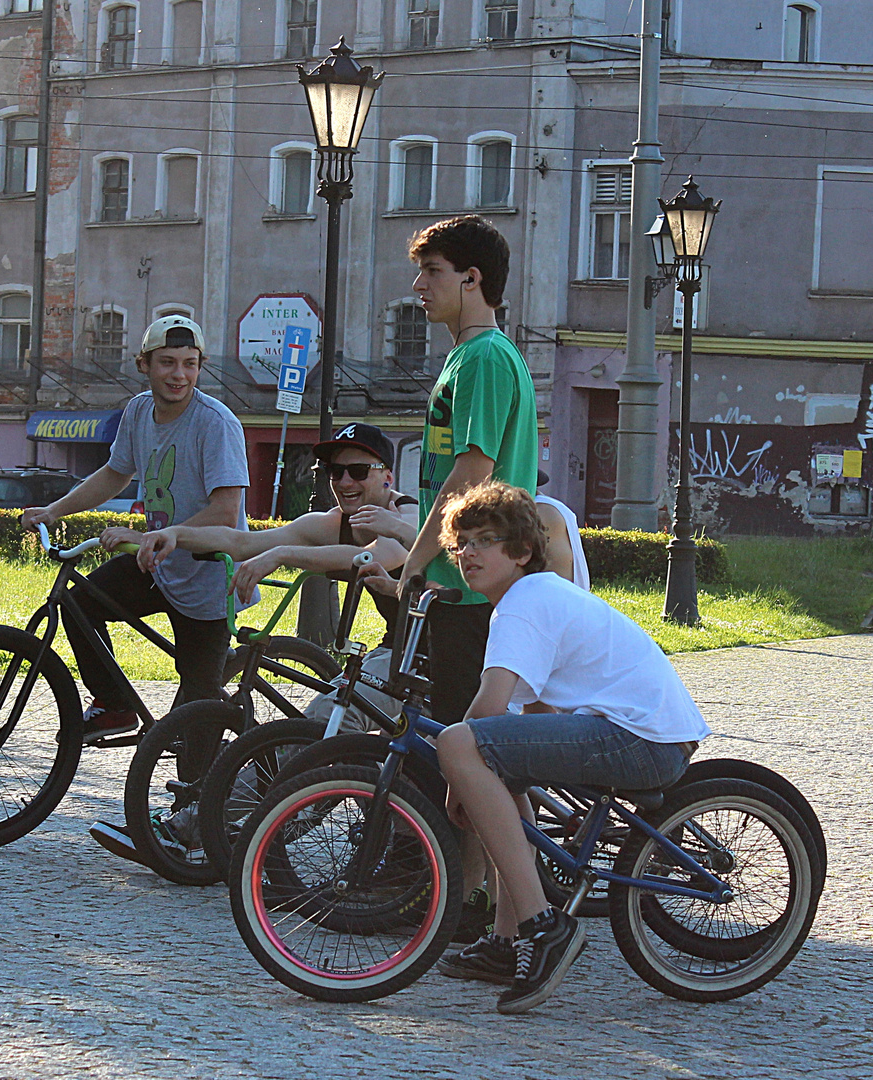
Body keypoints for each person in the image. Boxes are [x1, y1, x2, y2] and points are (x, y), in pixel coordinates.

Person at [397, 481, 709, 1014]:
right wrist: (480, 780)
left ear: (521, 552)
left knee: (458, 741)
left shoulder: (524, 601)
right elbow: (534, 716)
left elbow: (489, 709)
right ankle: (506, 939)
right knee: (494, 766)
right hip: (645, 732)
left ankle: (543, 925)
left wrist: (457, 775)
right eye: (460, 544)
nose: (467, 554)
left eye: (483, 541)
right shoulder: (526, 599)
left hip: (641, 739)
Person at [21, 315, 250, 744]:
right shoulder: (139, 411)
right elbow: (114, 473)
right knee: (80, 605)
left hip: (207, 579)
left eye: (190, 363)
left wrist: (156, 536)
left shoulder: (215, 424)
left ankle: (201, 804)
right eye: (167, 362)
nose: (179, 375)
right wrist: (54, 510)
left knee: (194, 720)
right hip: (156, 563)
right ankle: (116, 706)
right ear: (143, 364)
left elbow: (225, 511)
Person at [137, 422, 417, 735]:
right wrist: (174, 534)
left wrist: (283, 555)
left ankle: (346, 782)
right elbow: (241, 543)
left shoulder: (409, 515)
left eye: (359, 471)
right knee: (303, 732)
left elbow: (376, 557)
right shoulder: (333, 523)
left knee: (331, 718)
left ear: (387, 476)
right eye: (335, 472)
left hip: (429, 660)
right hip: (394, 650)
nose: (345, 481)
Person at [395, 214, 540, 727]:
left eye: (432, 271)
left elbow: (472, 472)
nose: (418, 285)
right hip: (461, 576)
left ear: (471, 278)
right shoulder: (467, 354)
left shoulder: (484, 357)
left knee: (463, 741)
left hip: (476, 580)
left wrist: (416, 558)